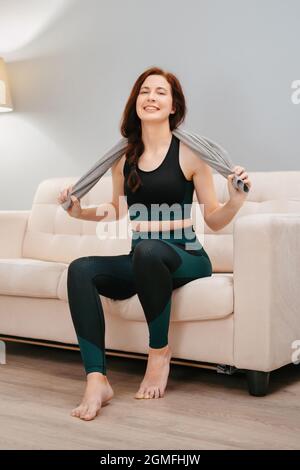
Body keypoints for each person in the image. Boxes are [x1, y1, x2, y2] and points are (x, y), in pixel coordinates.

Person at [57, 66, 251, 421]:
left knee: (148, 251)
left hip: (187, 257)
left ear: (173, 106)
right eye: (145, 91)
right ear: (136, 102)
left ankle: (159, 354)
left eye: (161, 92)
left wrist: (235, 201)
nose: (151, 97)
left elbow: (213, 219)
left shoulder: (191, 154)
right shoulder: (124, 157)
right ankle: (97, 378)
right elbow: (115, 209)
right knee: (80, 270)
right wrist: (77, 211)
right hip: (143, 258)